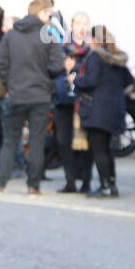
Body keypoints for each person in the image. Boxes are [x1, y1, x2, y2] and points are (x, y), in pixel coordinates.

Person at [0, 0, 66, 194]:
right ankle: (33, 186)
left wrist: (11, 85)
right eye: (49, 14)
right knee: (36, 141)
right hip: (40, 95)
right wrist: (46, 79)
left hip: (16, 94)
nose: (51, 18)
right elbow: (58, 66)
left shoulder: (11, 34)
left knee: (10, 140)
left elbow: (2, 65)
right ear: (41, 13)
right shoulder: (47, 34)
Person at [74, 24, 133, 198]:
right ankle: (112, 185)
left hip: (96, 110)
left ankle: (105, 186)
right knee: (108, 150)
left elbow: (90, 81)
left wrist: (76, 79)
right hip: (115, 110)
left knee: (99, 150)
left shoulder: (95, 56)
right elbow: (129, 83)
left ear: (94, 40)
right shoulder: (117, 58)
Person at [53, 12, 94, 193]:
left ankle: (85, 181)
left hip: (84, 101)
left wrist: (74, 68)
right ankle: (70, 181)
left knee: (85, 143)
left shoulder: (92, 49)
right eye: (78, 23)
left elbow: (93, 72)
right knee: (63, 142)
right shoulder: (61, 48)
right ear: (72, 25)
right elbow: (52, 68)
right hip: (63, 101)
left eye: (85, 23)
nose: (81, 26)